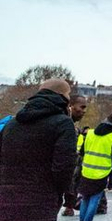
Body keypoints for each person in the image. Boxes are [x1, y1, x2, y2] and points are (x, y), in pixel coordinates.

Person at [0, 79, 78, 221]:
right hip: (41, 200)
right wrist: (62, 193)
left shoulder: (12, 124)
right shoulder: (63, 124)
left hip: (6, 199)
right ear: (63, 96)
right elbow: (64, 167)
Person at [76, 112, 112, 221]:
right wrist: (110, 163)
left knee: (85, 198)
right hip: (101, 173)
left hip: (86, 171)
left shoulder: (90, 133)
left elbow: (82, 151)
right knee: (94, 199)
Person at [61, 94, 89, 216]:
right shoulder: (64, 124)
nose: (84, 111)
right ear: (70, 106)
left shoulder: (72, 126)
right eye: (81, 107)